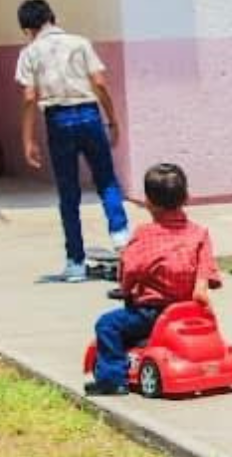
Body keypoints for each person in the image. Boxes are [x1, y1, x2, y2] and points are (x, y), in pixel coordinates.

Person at [15, 0, 130, 282]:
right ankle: (121, 238)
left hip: (58, 120)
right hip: (90, 115)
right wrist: (112, 119)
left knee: (69, 193)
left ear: (27, 29)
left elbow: (30, 97)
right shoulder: (80, 43)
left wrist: (28, 139)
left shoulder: (30, 53)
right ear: (53, 17)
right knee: (106, 181)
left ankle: (75, 261)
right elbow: (100, 83)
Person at [87, 163, 221, 396]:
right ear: (187, 196)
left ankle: (111, 380)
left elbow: (129, 270)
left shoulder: (145, 234)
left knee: (107, 325)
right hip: (187, 311)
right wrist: (199, 292)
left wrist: (126, 289)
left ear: (148, 202)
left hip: (152, 313)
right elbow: (206, 273)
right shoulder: (199, 234)